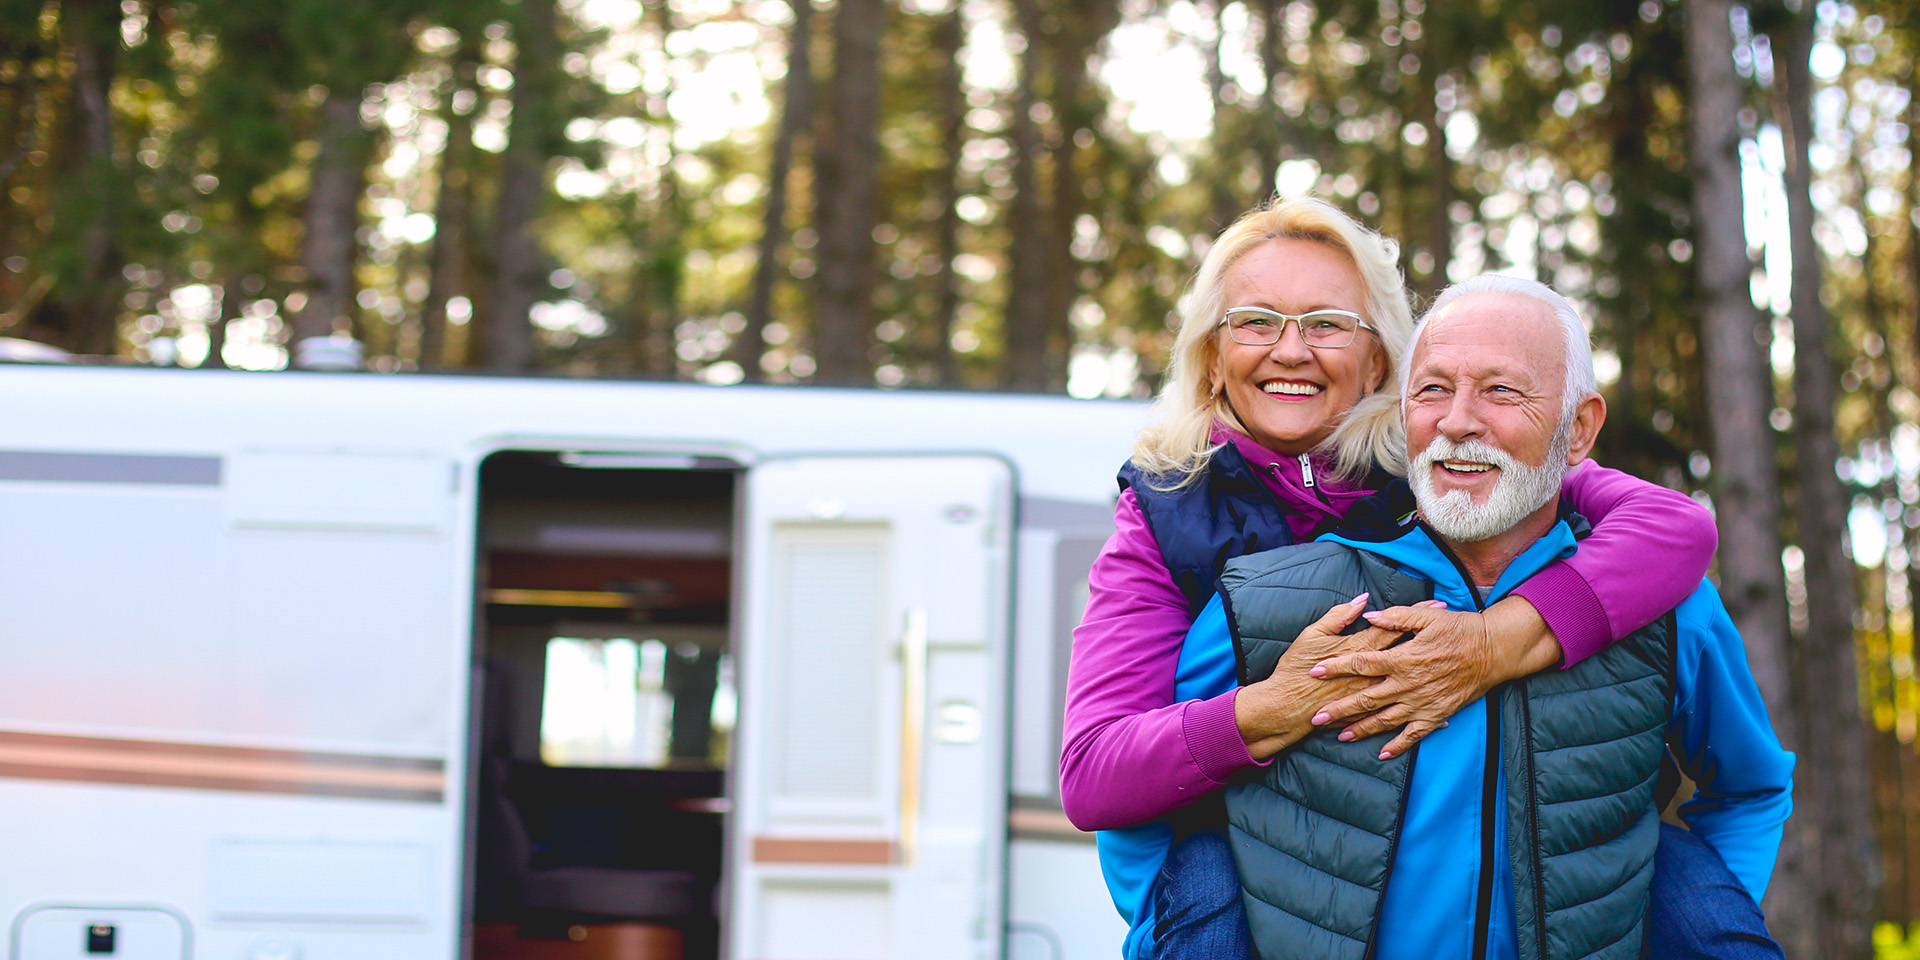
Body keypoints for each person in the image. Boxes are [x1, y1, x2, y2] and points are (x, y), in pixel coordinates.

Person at [1059, 199, 1721, 960]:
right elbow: (1094, 773)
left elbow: (1676, 529)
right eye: (1255, 321)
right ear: (1213, 357)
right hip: (1244, 858)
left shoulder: (1444, 465)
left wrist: (1495, 643)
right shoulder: (1167, 512)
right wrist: (1275, 709)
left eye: (1327, 323)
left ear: (1381, 362)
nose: (1291, 349)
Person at [1210, 275, 1793, 960]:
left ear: (1579, 429)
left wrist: (1691, 921)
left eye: (1501, 390)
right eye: (1432, 390)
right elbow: (1149, 790)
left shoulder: (1671, 611)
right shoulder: (1268, 599)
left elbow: (1751, 787)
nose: (1458, 420)